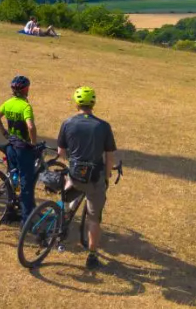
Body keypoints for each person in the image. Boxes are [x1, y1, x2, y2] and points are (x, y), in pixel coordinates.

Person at [57, 86, 117, 270]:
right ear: (93, 103)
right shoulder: (103, 126)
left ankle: (63, 222)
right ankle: (92, 255)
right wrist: (107, 176)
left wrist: (72, 162)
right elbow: (109, 156)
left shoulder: (67, 123)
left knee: (68, 195)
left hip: (75, 174)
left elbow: (61, 152)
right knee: (93, 218)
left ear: (76, 103)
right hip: (95, 178)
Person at [0, 75, 37, 227]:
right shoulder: (25, 106)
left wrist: (4, 132)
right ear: (26, 90)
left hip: (10, 146)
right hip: (23, 149)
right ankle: (26, 220)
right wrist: (33, 143)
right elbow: (30, 127)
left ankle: (10, 211)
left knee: (13, 178)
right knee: (26, 184)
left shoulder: (8, 103)